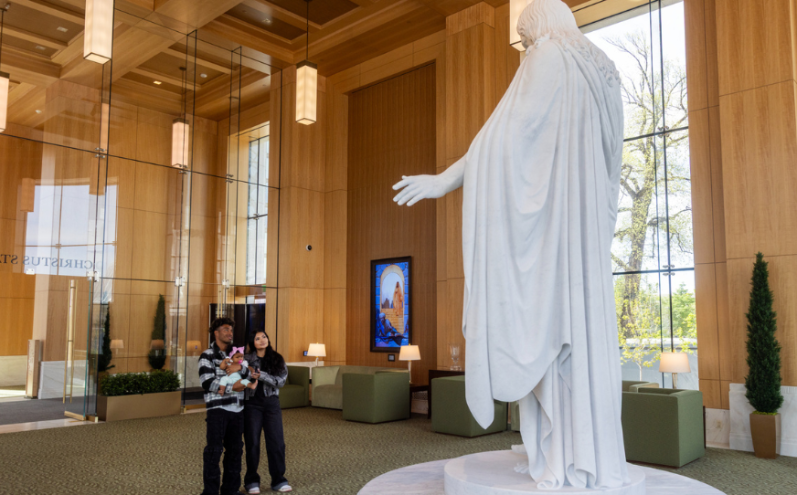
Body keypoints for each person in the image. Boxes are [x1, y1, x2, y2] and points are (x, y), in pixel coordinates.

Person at [392, 0, 627, 490]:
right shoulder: (603, 69)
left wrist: (444, 181)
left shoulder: (549, 56)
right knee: (574, 335)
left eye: (522, 38)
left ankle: (558, 456)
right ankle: (582, 455)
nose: (522, 49)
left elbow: (502, 141)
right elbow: (608, 166)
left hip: (555, 237)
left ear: (537, 29)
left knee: (544, 326)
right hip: (580, 238)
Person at [199, 317, 250, 495]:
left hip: (238, 410)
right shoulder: (207, 355)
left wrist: (241, 370)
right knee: (214, 451)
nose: (230, 333)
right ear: (216, 332)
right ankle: (211, 492)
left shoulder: (237, 355)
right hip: (218, 410)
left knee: (235, 451)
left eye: (231, 330)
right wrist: (232, 387)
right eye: (226, 329)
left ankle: (231, 490)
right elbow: (207, 383)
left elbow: (247, 372)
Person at [243, 330, 291, 493]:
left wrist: (260, 375)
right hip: (252, 405)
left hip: (272, 405)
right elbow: (241, 378)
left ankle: (278, 480)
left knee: (276, 442)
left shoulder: (277, 359)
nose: (262, 340)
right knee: (253, 443)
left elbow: (280, 382)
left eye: (264, 337)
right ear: (252, 342)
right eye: (257, 338)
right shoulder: (246, 359)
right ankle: (251, 481)